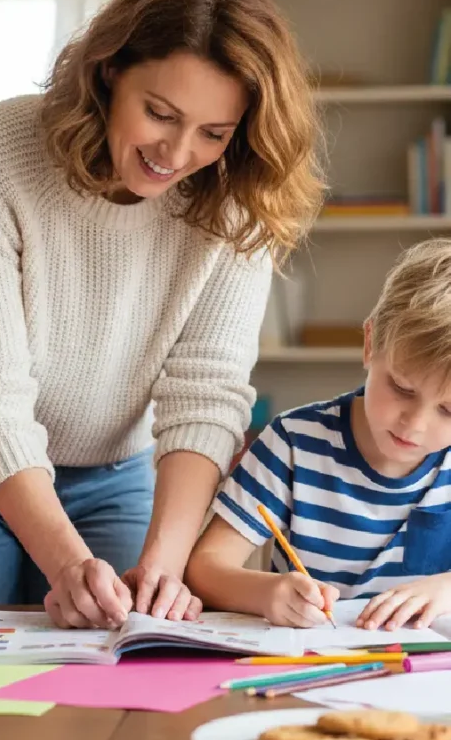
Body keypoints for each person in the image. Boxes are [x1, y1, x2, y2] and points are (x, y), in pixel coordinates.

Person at [0, 0, 323, 627]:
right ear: (110, 70)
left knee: (128, 642)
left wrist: (167, 563)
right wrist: (66, 563)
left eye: (213, 133)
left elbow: (205, 393)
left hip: (112, 467)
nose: (177, 153)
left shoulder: (242, 196)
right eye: (160, 113)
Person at [186, 238, 451, 632]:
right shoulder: (294, 443)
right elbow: (205, 569)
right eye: (402, 388)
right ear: (369, 345)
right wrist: (267, 594)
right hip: (308, 666)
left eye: (448, 410)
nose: (414, 424)